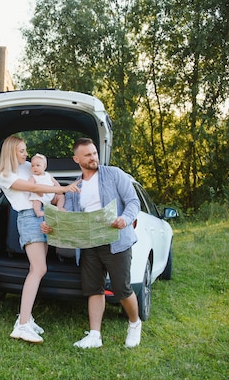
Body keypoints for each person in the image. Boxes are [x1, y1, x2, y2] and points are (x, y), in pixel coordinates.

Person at [41, 137, 142, 349]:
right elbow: (66, 217)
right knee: (93, 289)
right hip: (88, 245)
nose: (93, 157)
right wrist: (51, 226)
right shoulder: (74, 187)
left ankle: (134, 324)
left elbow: (133, 201)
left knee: (121, 289)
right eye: (88, 155)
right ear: (77, 159)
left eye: (94, 153)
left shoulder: (114, 174)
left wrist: (125, 218)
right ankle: (95, 335)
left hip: (116, 241)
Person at [0, 135, 80, 344]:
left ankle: (26, 319)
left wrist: (59, 198)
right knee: (38, 269)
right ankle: (22, 325)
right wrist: (63, 189)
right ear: (11, 151)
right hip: (28, 217)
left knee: (40, 269)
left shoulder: (28, 166)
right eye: (22, 150)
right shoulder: (5, 174)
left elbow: (47, 181)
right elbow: (33, 189)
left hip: (43, 214)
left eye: (26, 150)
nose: (26, 154)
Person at [28, 153, 65, 217]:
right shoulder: (33, 177)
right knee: (36, 201)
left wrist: (59, 189)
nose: (35, 168)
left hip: (51, 195)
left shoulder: (48, 175)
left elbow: (55, 182)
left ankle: (60, 207)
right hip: (40, 196)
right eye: (32, 166)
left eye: (38, 165)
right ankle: (38, 212)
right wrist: (37, 191)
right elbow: (30, 186)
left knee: (61, 196)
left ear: (44, 166)